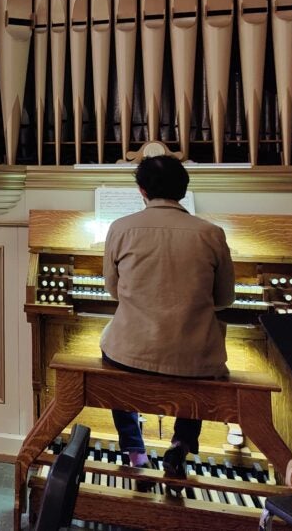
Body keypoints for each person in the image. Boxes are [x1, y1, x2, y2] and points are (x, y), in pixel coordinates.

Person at [100, 155, 235, 485]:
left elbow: (113, 291)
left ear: (141, 190)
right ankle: (181, 443)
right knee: (203, 365)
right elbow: (225, 299)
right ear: (184, 190)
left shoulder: (120, 228)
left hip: (130, 355)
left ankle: (134, 449)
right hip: (193, 359)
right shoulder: (211, 233)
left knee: (111, 351)